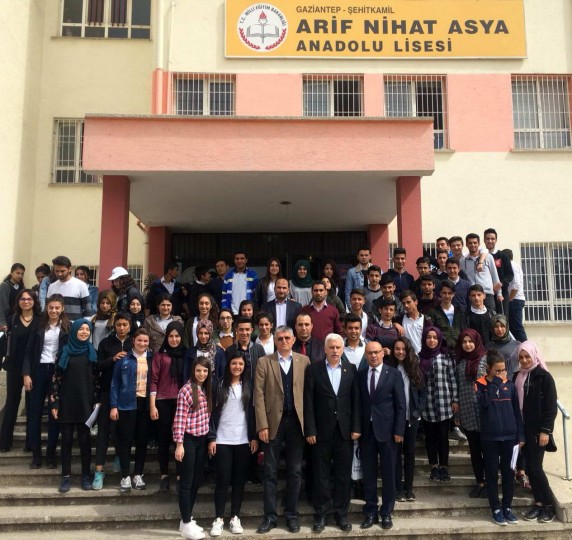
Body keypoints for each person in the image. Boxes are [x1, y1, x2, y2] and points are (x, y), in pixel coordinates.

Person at [254, 326, 310, 534]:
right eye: (280, 338)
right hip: (272, 424)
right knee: (269, 471)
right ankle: (270, 517)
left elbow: (309, 394)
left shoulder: (304, 361)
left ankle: (291, 515)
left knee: (295, 471)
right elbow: (258, 395)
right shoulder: (264, 362)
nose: (284, 341)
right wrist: (262, 425)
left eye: (287, 338)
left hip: (296, 424)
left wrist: (309, 426)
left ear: (293, 340)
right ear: (275, 341)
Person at [304, 333, 361, 533]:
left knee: (343, 475)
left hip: (344, 432)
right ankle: (321, 513)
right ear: (325, 349)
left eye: (338, 347)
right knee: (321, 475)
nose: (335, 351)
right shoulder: (314, 370)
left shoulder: (351, 369)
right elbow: (308, 402)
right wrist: (310, 429)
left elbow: (355, 400)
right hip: (321, 432)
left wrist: (356, 427)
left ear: (342, 349)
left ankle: (341, 514)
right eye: (332, 347)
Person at [207, 354, 258, 537]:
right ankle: (218, 518)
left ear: (245, 366)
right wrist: (211, 437)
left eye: (240, 364)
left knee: (239, 481)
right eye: (234, 363)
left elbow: (254, 413)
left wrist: (254, 437)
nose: (237, 366)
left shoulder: (249, 386)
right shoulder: (219, 384)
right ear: (228, 365)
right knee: (222, 480)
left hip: (243, 440)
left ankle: (235, 516)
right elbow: (210, 412)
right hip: (222, 439)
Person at [358, 340, 406, 531]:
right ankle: (370, 511)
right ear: (366, 355)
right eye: (370, 353)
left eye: (376, 352)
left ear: (383, 353)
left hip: (388, 433)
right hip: (366, 432)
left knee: (389, 474)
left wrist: (399, 431)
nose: (373, 356)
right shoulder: (361, 374)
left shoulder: (393, 374)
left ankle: (386, 512)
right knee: (368, 474)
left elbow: (401, 405)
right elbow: (358, 403)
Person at [50, 319, 100, 493]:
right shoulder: (64, 352)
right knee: (66, 442)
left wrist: (96, 402)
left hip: (85, 403)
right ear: (74, 331)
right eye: (81, 329)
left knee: (85, 442)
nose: (85, 332)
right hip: (66, 403)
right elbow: (56, 378)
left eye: (87, 329)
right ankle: (66, 477)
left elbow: (97, 380)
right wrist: (54, 401)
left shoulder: (92, 353)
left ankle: (86, 476)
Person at [476, 350, 525, 526]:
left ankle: (507, 507)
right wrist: (495, 383)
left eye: (503, 370)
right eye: (497, 370)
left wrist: (520, 435)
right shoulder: (480, 384)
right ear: (488, 369)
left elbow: (517, 412)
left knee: (508, 473)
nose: (502, 373)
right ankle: (495, 508)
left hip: (510, 437)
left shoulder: (510, 385)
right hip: (490, 438)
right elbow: (484, 403)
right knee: (491, 473)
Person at [23, 294, 69, 469]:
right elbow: (28, 352)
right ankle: (36, 455)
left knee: (54, 414)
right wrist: (26, 374)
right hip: (38, 370)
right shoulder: (38, 324)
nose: (54, 311)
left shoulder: (67, 326)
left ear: (62, 308)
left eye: (57, 308)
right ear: (46, 308)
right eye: (51, 307)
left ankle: (51, 454)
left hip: (57, 372)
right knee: (34, 413)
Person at [515, 341, 558, 524]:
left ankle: (548, 506)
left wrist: (545, 431)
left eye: (527, 356)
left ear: (534, 356)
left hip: (538, 432)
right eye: (521, 357)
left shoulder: (544, 377)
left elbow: (551, 407)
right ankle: (538, 503)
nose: (524, 360)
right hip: (522, 431)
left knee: (535, 468)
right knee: (530, 469)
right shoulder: (517, 376)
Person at [174, 356, 213, 540]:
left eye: (205, 371)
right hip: (188, 440)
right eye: (198, 370)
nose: (202, 374)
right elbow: (180, 418)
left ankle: (186, 520)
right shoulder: (186, 390)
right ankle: (186, 521)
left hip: (202, 439)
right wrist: (179, 444)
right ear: (193, 371)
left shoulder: (207, 389)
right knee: (187, 482)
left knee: (196, 480)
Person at [92, 312, 132, 490]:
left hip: (127, 394)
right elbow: (97, 366)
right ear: (114, 326)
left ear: (130, 326)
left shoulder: (134, 343)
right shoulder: (106, 343)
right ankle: (99, 471)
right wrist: (113, 359)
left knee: (120, 431)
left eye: (125, 325)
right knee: (103, 431)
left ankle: (120, 458)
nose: (122, 328)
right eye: (119, 325)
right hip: (107, 392)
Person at [110, 327, 153, 492]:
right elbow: (115, 383)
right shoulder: (123, 359)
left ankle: (138, 474)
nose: (142, 343)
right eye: (139, 340)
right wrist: (113, 406)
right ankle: (125, 476)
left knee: (142, 441)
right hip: (126, 404)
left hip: (145, 404)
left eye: (145, 341)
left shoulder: (152, 358)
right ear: (133, 341)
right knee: (125, 441)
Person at [386, 337, 426, 502]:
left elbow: (422, 392)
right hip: (395, 420)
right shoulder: (388, 368)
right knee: (395, 454)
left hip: (412, 419)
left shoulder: (415, 368)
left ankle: (408, 489)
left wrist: (418, 410)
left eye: (403, 349)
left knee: (410, 453)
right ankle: (397, 489)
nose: (400, 352)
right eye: (397, 349)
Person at [0, 289, 39, 453]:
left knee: (32, 405)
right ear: (18, 301)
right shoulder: (12, 319)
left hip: (33, 368)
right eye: (23, 299)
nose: (26, 301)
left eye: (29, 299)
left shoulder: (39, 320)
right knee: (11, 403)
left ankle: (30, 443)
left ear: (34, 301)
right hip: (14, 367)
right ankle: (4, 442)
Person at [150, 321, 187, 492]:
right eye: (171, 336)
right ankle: (164, 475)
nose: (174, 339)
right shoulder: (160, 356)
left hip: (181, 402)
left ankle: (180, 475)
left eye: (177, 336)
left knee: (179, 439)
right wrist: (152, 405)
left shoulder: (186, 355)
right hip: (163, 401)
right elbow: (154, 381)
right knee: (164, 440)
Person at [419, 327, 459, 483]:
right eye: (428, 337)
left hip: (444, 404)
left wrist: (455, 399)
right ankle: (434, 466)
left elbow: (453, 379)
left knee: (443, 437)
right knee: (430, 437)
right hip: (427, 405)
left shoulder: (446, 358)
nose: (432, 340)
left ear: (440, 339)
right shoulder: (419, 358)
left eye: (435, 338)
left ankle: (443, 466)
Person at [454, 329, 488, 498]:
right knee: (474, 451)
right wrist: (457, 415)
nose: (467, 345)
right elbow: (457, 387)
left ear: (476, 342)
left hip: (485, 411)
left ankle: (490, 483)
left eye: (470, 341)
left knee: (487, 450)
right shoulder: (459, 362)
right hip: (467, 411)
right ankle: (480, 482)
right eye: (464, 342)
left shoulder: (485, 359)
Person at [460, 234, 502, 313]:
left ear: (479, 244)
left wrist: (499, 293)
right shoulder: (463, 260)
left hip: (487, 293)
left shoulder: (488, 257)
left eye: (475, 243)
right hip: (472, 295)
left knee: (491, 317)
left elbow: (495, 275)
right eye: (470, 243)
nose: (473, 245)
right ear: (466, 244)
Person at [47, 256, 94, 321]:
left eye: (62, 271)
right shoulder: (52, 287)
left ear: (69, 269)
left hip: (75, 325)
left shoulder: (81, 285)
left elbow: (87, 311)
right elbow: (47, 309)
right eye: (56, 271)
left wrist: (85, 325)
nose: (59, 274)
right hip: (56, 325)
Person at [427, 280, 466, 353]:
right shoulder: (433, 312)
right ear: (440, 293)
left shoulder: (460, 312)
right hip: (440, 350)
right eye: (444, 293)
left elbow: (464, 331)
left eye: (450, 293)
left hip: (458, 350)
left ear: (454, 294)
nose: (447, 296)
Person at [185, 319, 226, 386]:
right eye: (200, 333)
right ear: (197, 334)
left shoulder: (219, 351)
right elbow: (186, 374)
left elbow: (222, 374)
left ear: (210, 333)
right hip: (195, 388)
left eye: (206, 333)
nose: (203, 336)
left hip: (213, 389)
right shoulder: (190, 352)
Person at [224, 317, 265, 384]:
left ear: (251, 330)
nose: (244, 332)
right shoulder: (230, 350)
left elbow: (264, 371)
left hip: (255, 387)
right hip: (236, 387)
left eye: (247, 329)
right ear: (236, 330)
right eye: (241, 329)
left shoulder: (259, 349)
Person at [486, 314, 520, 380]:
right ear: (492, 328)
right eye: (496, 326)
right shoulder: (488, 347)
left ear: (507, 327)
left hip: (514, 383)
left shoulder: (517, 345)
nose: (499, 329)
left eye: (502, 326)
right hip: (493, 383)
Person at [505, 249, 528, 343]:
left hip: (515, 300)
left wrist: (509, 300)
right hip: (515, 299)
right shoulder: (514, 265)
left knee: (517, 328)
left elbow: (516, 285)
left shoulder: (512, 266)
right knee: (512, 328)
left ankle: (526, 347)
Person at [0, 263, 25, 331]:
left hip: (18, 318)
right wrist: (2, 322)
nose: (20, 275)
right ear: (11, 273)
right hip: (7, 319)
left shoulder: (21, 287)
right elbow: (1, 305)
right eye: (18, 273)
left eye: (22, 274)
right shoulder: (5, 286)